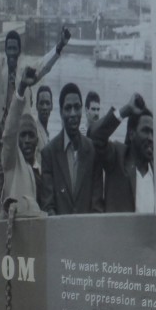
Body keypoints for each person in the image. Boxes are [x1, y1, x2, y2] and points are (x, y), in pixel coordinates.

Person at [0, 0, 71, 156]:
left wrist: (60, 46)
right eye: (9, 48)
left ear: (18, 51)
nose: (11, 52)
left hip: (17, 140)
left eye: (14, 49)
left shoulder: (25, 72)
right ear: (5, 50)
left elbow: (44, 65)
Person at [89, 94, 156, 213]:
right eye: (145, 131)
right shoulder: (117, 157)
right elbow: (95, 136)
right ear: (131, 134)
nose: (150, 138)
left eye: (153, 133)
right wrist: (126, 110)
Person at [39, 83, 99, 216]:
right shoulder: (49, 153)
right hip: (59, 233)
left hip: (87, 232)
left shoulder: (92, 151)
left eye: (77, 107)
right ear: (60, 112)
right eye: (68, 108)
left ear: (82, 111)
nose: (73, 113)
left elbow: (97, 204)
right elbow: (48, 205)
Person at [0, 68, 45, 217]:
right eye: (22, 136)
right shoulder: (11, 164)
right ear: (17, 139)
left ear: (37, 140)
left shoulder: (42, 168)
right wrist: (21, 90)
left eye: (30, 136)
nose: (26, 141)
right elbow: (9, 132)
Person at [35, 85, 54, 149]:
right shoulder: (34, 132)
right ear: (36, 106)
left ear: (51, 106)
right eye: (41, 103)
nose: (44, 107)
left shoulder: (47, 133)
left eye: (47, 103)